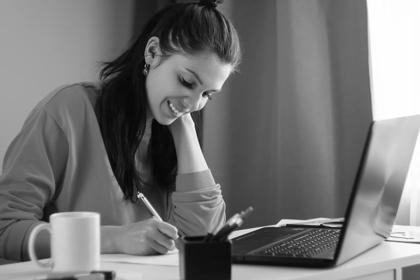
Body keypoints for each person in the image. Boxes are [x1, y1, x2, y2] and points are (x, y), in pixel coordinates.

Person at [0, 0, 241, 261]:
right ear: (152, 53)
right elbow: (6, 229)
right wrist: (117, 238)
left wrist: (185, 127)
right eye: (186, 81)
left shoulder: (175, 129)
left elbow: (207, 243)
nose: (195, 104)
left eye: (207, 94)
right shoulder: (67, 111)